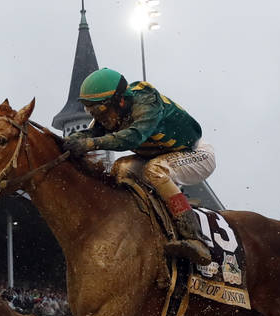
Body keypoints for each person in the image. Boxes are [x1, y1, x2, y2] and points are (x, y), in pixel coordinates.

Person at [61, 68, 215, 265]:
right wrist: (63, 142)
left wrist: (90, 144)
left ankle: (194, 239)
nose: (97, 117)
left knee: (155, 170)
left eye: (98, 110)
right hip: (160, 155)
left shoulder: (146, 101)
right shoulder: (113, 110)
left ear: (120, 101)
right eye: (89, 111)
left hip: (196, 154)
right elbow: (89, 134)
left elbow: (133, 136)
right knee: (120, 169)